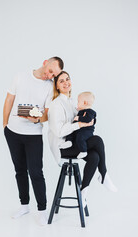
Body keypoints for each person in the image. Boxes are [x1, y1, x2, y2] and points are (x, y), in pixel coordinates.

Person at [3, 56, 64, 225]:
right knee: (19, 170)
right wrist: (4, 125)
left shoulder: (49, 87)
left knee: (36, 172)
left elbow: (46, 113)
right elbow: (9, 99)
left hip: (33, 136)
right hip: (13, 132)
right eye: (50, 71)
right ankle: (24, 206)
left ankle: (42, 210)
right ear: (46, 62)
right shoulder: (20, 76)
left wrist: (37, 119)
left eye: (53, 76)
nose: (50, 76)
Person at [48, 71, 118, 209]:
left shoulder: (73, 102)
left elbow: (86, 119)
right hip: (63, 146)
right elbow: (59, 131)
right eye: (61, 81)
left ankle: (83, 193)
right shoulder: (56, 105)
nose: (66, 82)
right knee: (97, 141)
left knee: (95, 157)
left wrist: (88, 120)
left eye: (67, 79)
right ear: (56, 86)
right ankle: (104, 174)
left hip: (75, 143)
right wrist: (79, 124)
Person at [60, 91, 96, 159]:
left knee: (80, 137)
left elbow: (88, 119)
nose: (77, 103)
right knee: (71, 131)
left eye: (78, 101)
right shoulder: (82, 111)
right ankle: (69, 141)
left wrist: (79, 117)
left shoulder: (90, 111)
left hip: (86, 131)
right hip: (80, 129)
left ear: (85, 103)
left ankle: (83, 151)